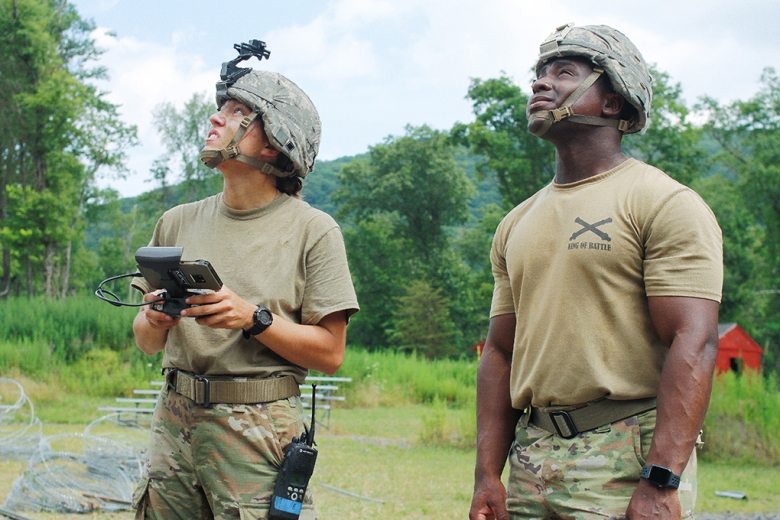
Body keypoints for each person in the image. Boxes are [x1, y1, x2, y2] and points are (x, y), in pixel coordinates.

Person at [469, 24, 722, 520]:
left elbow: (694, 339)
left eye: (564, 72)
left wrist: (661, 481)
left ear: (612, 102)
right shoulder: (515, 223)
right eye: (539, 74)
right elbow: (500, 351)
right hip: (531, 456)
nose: (540, 84)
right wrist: (486, 476)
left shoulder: (665, 204)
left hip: (627, 456)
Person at [130, 45, 359, 520]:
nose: (215, 119)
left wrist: (252, 318)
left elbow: (330, 353)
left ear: (274, 142)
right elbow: (145, 342)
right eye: (220, 108)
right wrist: (154, 318)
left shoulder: (314, 230)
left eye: (237, 113)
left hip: (259, 427)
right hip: (173, 418)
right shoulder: (176, 221)